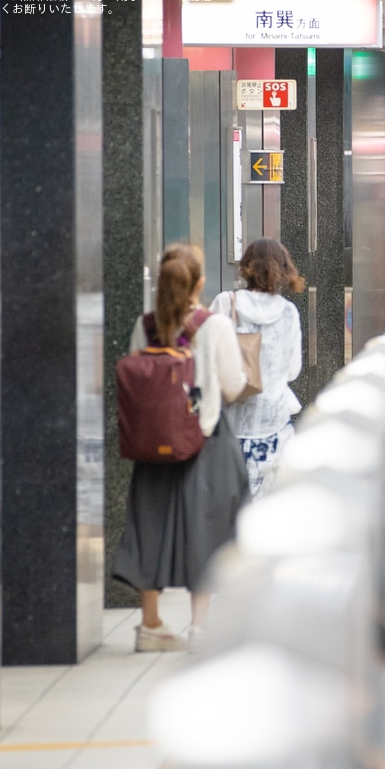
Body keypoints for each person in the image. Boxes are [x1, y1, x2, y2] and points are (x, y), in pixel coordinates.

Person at [114, 245, 249, 652]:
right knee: (204, 528)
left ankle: (150, 625)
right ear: (199, 284)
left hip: (152, 443)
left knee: (149, 523)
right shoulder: (215, 326)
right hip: (205, 441)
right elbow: (232, 386)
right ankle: (200, 626)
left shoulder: (145, 324)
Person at [210, 238, 305, 498]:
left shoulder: (225, 303)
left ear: (246, 267)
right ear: (284, 268)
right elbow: (293, 371)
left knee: (230, 518)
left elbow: (206, 358)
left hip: (230, 431)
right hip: (275, 430)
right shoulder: (289, 313)